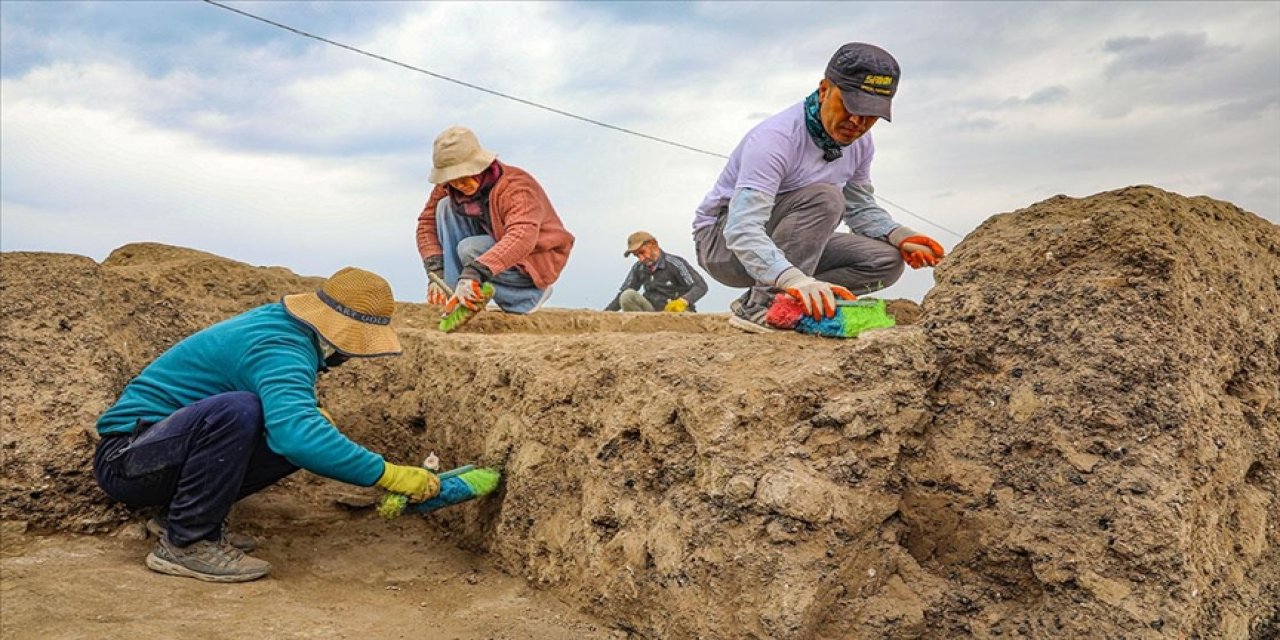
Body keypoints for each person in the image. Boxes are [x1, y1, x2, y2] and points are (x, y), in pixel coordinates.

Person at [92, 267, 438, 583]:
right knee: (243, 411)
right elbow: (299, 438)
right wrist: (390, 474)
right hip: (127, 458)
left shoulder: (286, 329)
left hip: (160, 453)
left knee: (293, 424)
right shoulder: (281, 346)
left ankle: (180, 518)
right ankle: (187, 542)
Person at [691, 42, 946, 333]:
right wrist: (794, 280)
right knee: (825, 198)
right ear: (825, 89)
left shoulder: (860, 143)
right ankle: (762, 307)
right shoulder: (775, 140)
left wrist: (900, 236)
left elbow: (859, 207)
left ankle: (793, 302)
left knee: (884, 261)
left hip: (786, 243)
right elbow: (741, 228)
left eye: (870, 114)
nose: (856, 122)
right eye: (850, 107)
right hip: (722, 245)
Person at [417, 126, 575, 316]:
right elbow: (427, 224)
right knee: (444, 207)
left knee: (469, 248)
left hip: (532, 260)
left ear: (479, 166)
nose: (459, 184)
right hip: (488, 248)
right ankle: (455, 297)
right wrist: (436, 271)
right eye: (452, 179)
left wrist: (475, 271)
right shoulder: (448, 187)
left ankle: (526, 296)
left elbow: (521, 237)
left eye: (464, 177)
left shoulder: (516, 187)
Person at [604, 231, 708, 313]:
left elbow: (700, 286)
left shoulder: (675, 263)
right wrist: (604, 315)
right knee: (627, 295)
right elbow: (624, 293)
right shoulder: (639, 268)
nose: (641, 259)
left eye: (642, 252)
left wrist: (683, 301)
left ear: (653, 244)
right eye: (636, 255)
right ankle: (640, 330)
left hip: (676, 313)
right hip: (651, 313)